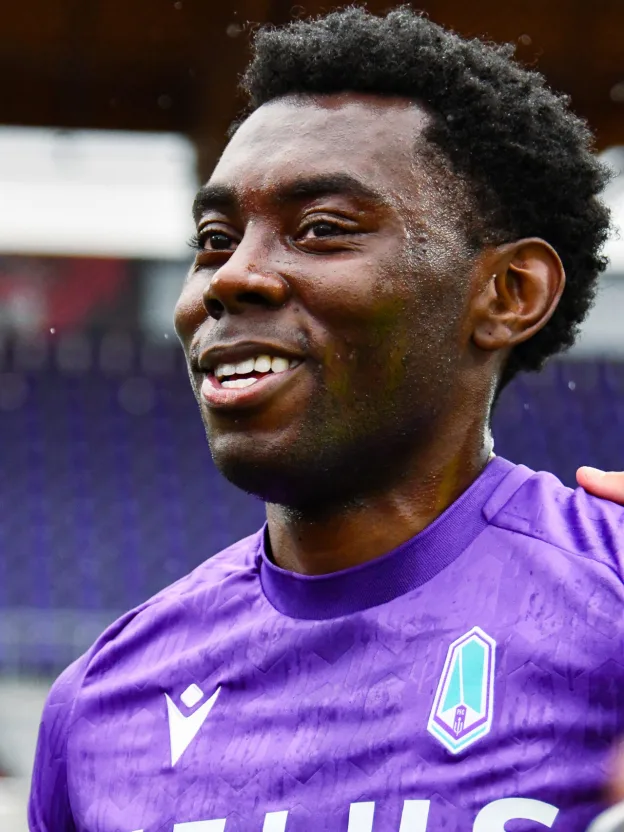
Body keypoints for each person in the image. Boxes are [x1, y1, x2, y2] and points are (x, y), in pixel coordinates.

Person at [29, 7, 624, 832]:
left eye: (321, 229)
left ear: (508, 293)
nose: (229, 278)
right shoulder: (103, 702)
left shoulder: (609, 597)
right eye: (214, 239)